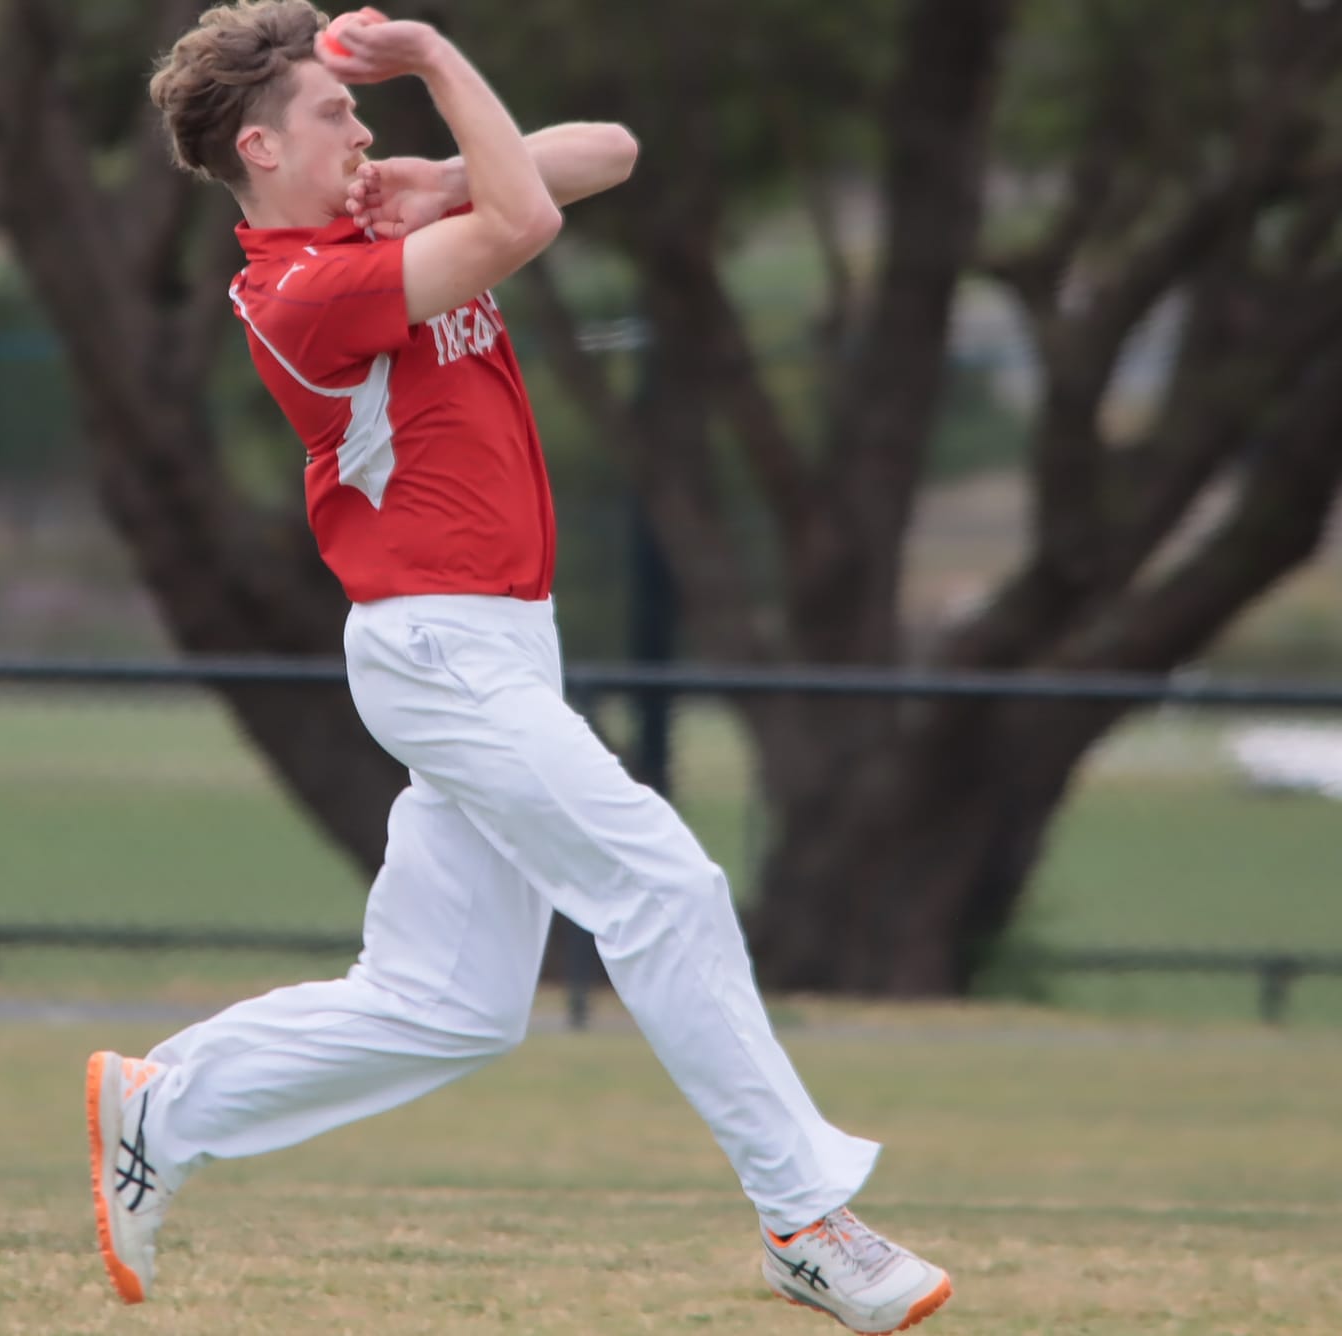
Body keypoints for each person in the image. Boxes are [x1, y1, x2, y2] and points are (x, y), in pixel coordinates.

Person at [94, 5, 953, 1331]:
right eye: (336, 111)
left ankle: (167, 1107)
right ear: (260, 149)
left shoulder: (382, 230)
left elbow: (609, 151)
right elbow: (528, 223)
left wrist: (440, 173)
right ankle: (804, 1220)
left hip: (495, 645)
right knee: (662, 884)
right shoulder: (305, 291)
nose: (362, 127)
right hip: (437, 647)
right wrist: (436, 62)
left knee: (451, 1005)